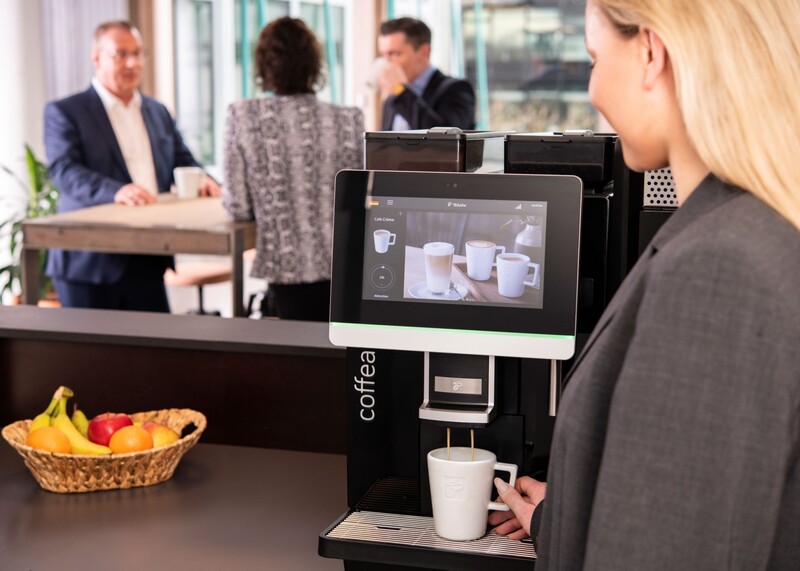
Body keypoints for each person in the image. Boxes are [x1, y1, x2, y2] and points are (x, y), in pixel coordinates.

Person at [489, 0, 800, 568]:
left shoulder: (716, 270)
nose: (593, 91)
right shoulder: (758, 230)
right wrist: (570, 514)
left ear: (652, 52)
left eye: (594, 58)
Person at [44, 20, 220, 313]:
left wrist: (205, 179)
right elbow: (64, 170)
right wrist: (117, 191)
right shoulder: (66, 112)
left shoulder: (158, 111)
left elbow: (183, 160)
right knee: (91, 345)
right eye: (121, 54)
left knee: (154, 342)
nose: (132, 63)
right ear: (96, 57)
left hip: (147, 255)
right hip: (89, 263)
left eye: (138, 53)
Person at [222, 17, 363, 321]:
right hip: (346, 265)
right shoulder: (349, 119)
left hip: (287, 266)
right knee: (341, 347)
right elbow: (359, 199)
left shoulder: (244, 116)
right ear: (314, 65)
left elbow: (237, 206)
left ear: (264, 66)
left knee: (296, 348)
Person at [377, 17, 475, 131]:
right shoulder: (393, 98)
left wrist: (401, 91)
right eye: (383, 55)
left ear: (423, 52)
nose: (386, 63)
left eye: (395, 54)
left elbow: (446, 137)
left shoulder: (456, 89)